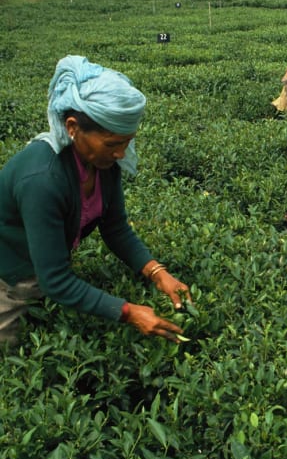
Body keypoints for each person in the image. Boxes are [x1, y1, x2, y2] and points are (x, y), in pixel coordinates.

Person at [0, 55, 192, 346]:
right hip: (9, 277)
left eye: (127, 142)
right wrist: (128, 312)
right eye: (113, 144)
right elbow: (56, 281)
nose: (121, 153)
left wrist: (157, 272)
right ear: (73, 126)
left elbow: (115, 228)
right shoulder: (42, 179)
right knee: (12, 355)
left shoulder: (101, 163)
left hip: (42, 268)